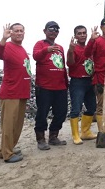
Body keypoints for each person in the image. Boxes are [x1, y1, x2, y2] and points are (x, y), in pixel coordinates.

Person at [0, 23, 32, 163]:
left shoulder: (21, 49)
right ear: (11, 32)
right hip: (11, 93)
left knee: (17, 125)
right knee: (9, 125)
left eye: (21, 30)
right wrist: (3, 39)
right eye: (16, 31)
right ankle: (8, 154)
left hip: (22, 92)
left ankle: (5, 149)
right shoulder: (8, 46)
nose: (19, 33)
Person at [33, 21, 68, 150]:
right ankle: (41, 139)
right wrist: (46, 50)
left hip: (60, 87)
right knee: (42, 113)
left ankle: (53, 136)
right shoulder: (39, 44)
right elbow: (36, 57)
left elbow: (62, 66)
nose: (54, 31)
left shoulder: (61, 48)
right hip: (44, 87)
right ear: (45, 31)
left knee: (61, 112)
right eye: (51, 29)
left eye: (57, 29)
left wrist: (66, 82)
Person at [66, 25, 96, 145]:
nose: (82, 35)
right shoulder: (74, 48)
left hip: (90, 81)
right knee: (76, 109)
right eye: (79, 33)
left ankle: (85, 132)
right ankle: (75, 135)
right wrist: (71, 50)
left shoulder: (90, 47)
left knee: (92, 107)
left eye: (84, 33)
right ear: (75, 36)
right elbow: (70, 63)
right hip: (77, 81)